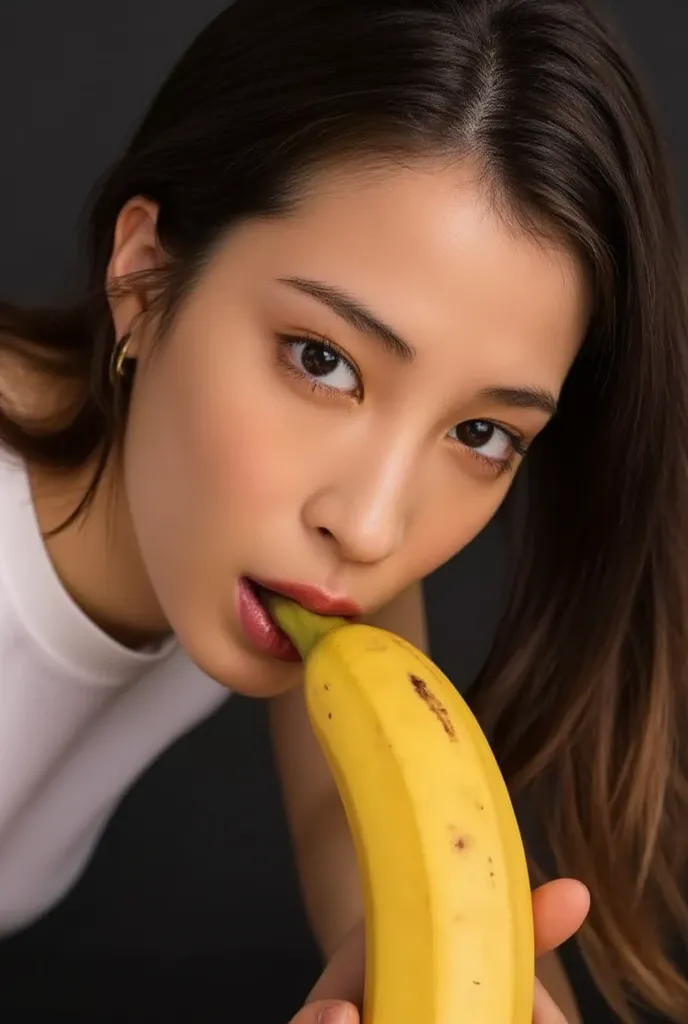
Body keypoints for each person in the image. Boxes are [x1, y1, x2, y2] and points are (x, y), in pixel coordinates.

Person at [0, 0, 686, 1020]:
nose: (372, 527)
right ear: (143, 273)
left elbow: (347, 817)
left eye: (480, 434)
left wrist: (473, 982)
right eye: (321, 360)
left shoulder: (300, 560)